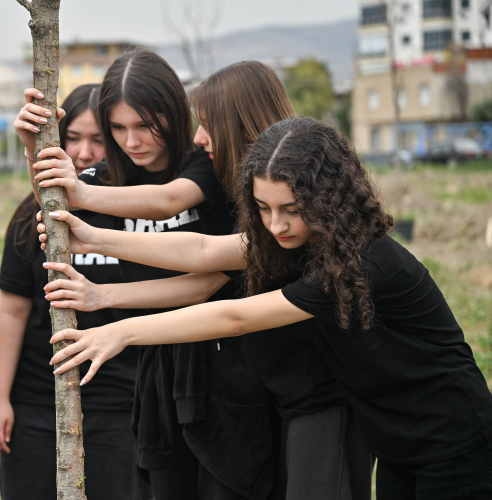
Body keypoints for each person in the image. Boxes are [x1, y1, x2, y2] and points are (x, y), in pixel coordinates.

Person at [43, 117, 492, 500]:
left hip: (453, 439)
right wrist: (93, 238)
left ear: (328, 199)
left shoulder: (358, 261)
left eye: (291, 209)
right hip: (397, 442)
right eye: (262, 208)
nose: (276, 225)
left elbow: (235, 317)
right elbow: (203, 250)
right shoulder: (299, 240)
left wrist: (120, 332)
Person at [39, 61, 373, 500]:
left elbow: (216, 288)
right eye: (117, 128)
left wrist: (114, 317)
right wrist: (90, 242)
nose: (199, 138)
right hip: (251, 383)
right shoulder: (269, 211)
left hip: (303, 391)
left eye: (209, 125)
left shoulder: (283, 216)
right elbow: (202, 254)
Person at [23, 52, 278, 500]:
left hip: (228, 361)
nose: (132, 140)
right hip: (159, 363)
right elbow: (54, 202)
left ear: (174, 113)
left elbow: (193, 248)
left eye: (144, 125)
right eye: (118, 128)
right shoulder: (106, 178)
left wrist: (87, 205)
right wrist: (34, 147)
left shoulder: (210, 166)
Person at [0, 83, 151, 500]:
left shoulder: (142, 212)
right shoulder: (33, 215)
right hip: (38, 403)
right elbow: (11, 312)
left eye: (99, 140)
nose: (84, 152)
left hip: (122, 406)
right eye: (72, 138)